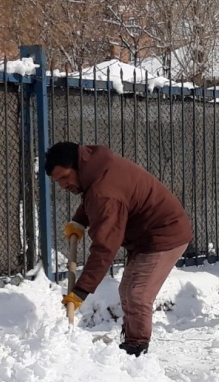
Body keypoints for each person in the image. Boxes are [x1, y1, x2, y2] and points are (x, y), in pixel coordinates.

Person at [44, 142, 192, 357]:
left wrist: (81, 290)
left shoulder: (104, 192)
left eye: (65, 177)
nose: (63, 185)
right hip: (147, 234)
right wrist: (79, 221)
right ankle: (132, 339)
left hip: (164, 235)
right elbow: (94, 194)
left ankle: (137, 349)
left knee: (138, 293)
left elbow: (105, 247)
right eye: (58, 181)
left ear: (78, 166)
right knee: (127, 290)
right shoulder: (97, 168)